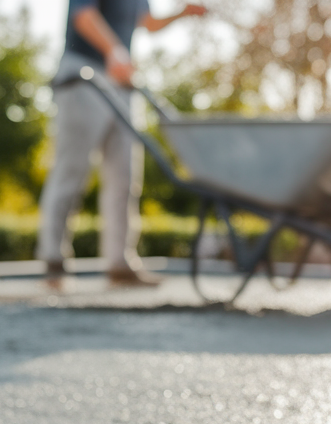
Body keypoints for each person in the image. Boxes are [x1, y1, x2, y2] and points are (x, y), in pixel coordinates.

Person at [36, 0, 205, 288]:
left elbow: (148, 23)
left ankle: (120, 263)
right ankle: (53, 260)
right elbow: (84, 16)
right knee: (72, 171)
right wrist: (114, 50)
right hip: (83, 74)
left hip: (121, 81)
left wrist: (183, 12)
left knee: (124, 175)